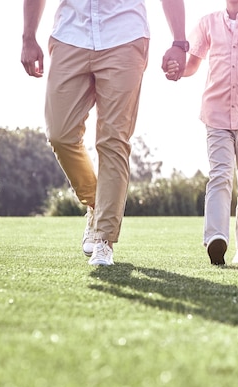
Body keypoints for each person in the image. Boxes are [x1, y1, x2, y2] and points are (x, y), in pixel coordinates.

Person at [21, 0, 188, 266]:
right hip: (70, 34)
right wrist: (28, 37)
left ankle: (104, 238)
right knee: (60, 134)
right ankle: (97, 204)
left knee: (113, 140)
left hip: (125, 35)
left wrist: (179, 42)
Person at [167, 0, 238, 265]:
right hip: (216, 115)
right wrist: (177, 70)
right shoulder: (207, 23)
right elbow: (193, 64)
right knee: (219, 176)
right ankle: (217, 238)